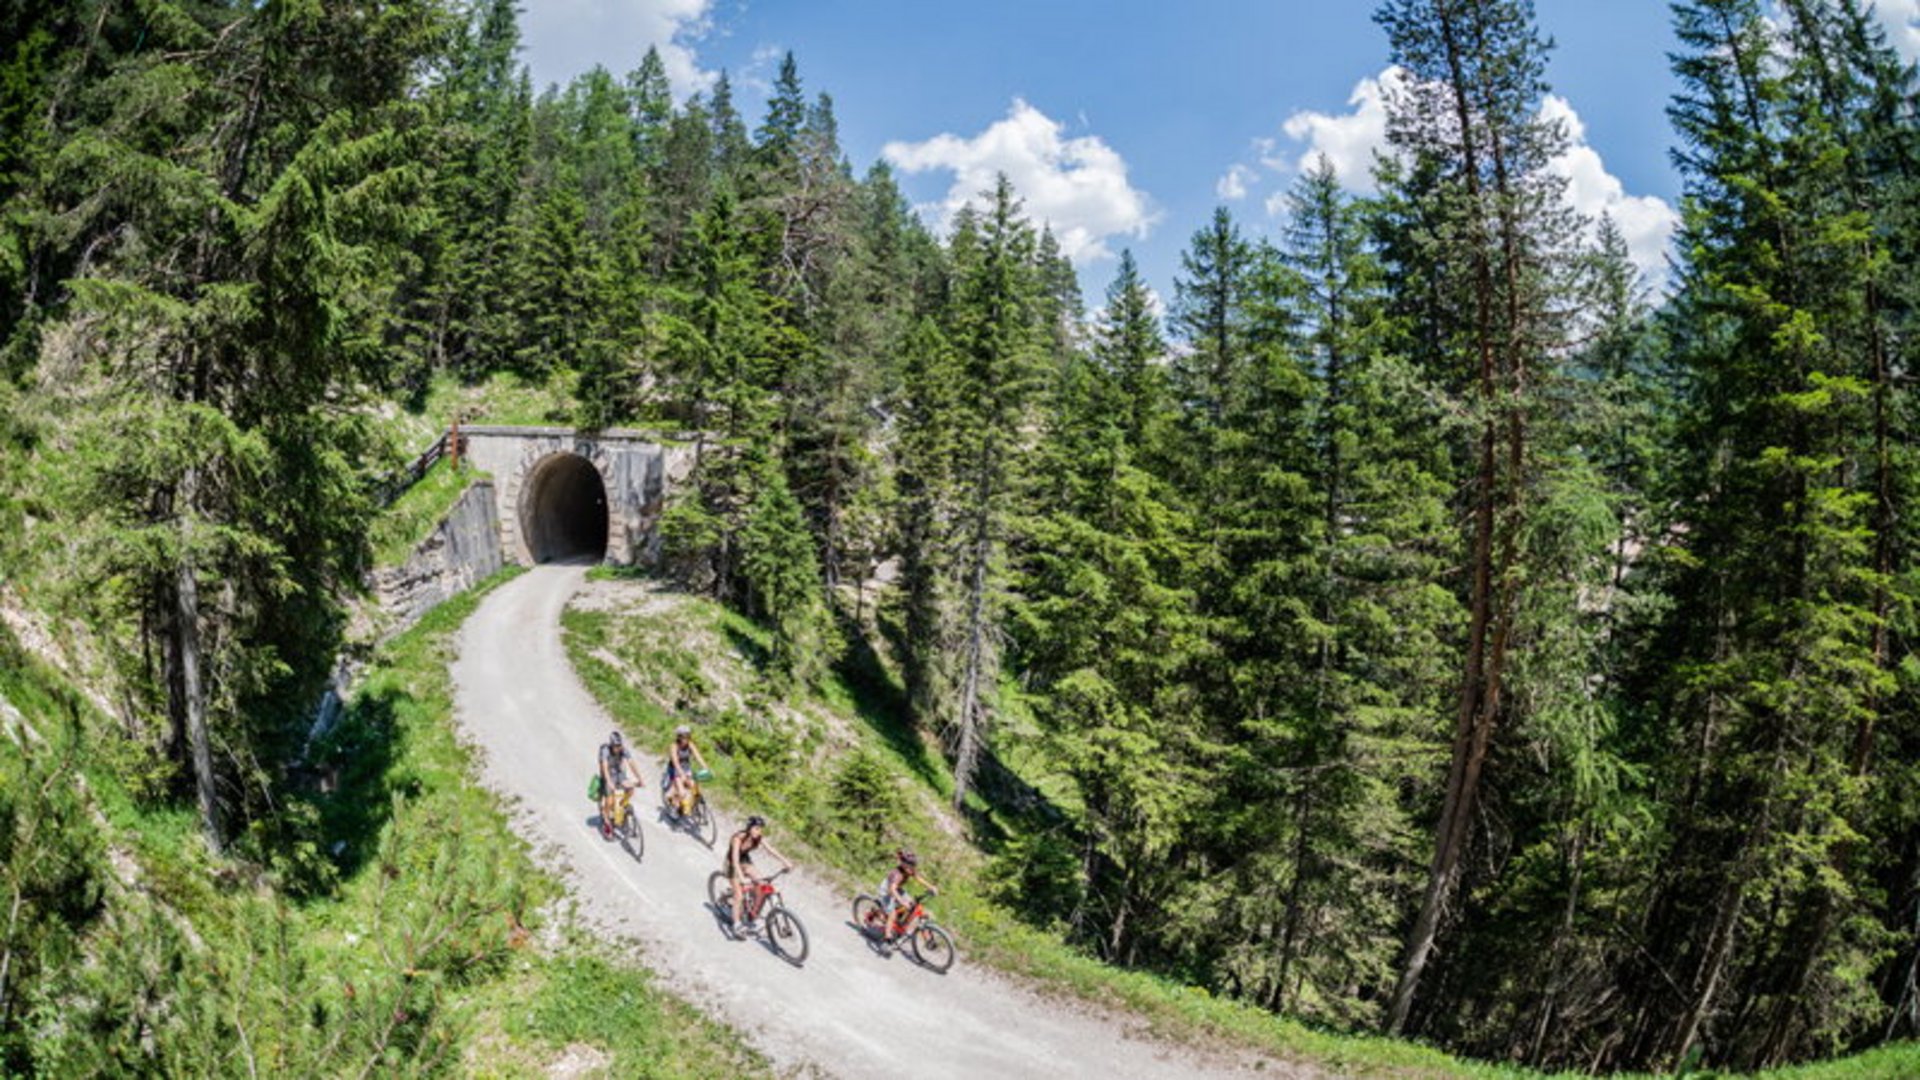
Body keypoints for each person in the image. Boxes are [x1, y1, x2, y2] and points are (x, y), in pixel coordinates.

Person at [726, 815, 793, 936]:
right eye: (756, 828)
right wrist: (741, 878)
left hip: (745, 861)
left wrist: (785, 861)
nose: (759, 831)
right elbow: (735, 860)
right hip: (732, 864)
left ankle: (752, 915)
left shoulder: (758, 838)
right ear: (749, 828)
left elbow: (771, 850)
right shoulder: (738, 838)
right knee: (739, 896)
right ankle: (736, 924)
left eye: (761, 829)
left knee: (763, 886)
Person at [878, 849, 938, 948]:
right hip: (886, 892)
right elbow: (892, 890)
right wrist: (901, 901)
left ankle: (899, 925)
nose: (912, 868)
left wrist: (930, 887)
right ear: (904, 864)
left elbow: (919, 878)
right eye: (910, 865)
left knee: (911, 904)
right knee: (892, 913)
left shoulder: (910, 870)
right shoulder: (897, 874)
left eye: (913, 865)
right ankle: (887, 938)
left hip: (897, 889)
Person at [598, 730, 642, 839]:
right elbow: (604, 767)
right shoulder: (605, 750)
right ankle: (607, 822)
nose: (618, 748)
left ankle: (621, 807)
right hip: (608, 775)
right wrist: (608, 781)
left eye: (620, 745)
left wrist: (639, 778)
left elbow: (631, 763)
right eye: (616, 746)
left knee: (631, 788)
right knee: (610, 801)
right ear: (611, 745)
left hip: (618, 773)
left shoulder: (623, 750)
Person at [664, 724, 712, 817]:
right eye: (684, 736)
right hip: (674, 769)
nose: (686, 738)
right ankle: (673, 806)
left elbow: (698, 756)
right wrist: (681, 773)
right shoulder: (674, 746)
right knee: (681, 792)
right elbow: (675, 762)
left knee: (692, 785)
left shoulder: (690, 744)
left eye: (688, 736)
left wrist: (705, 767)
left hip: (686, 768)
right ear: (679, 737)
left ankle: (688, 805)